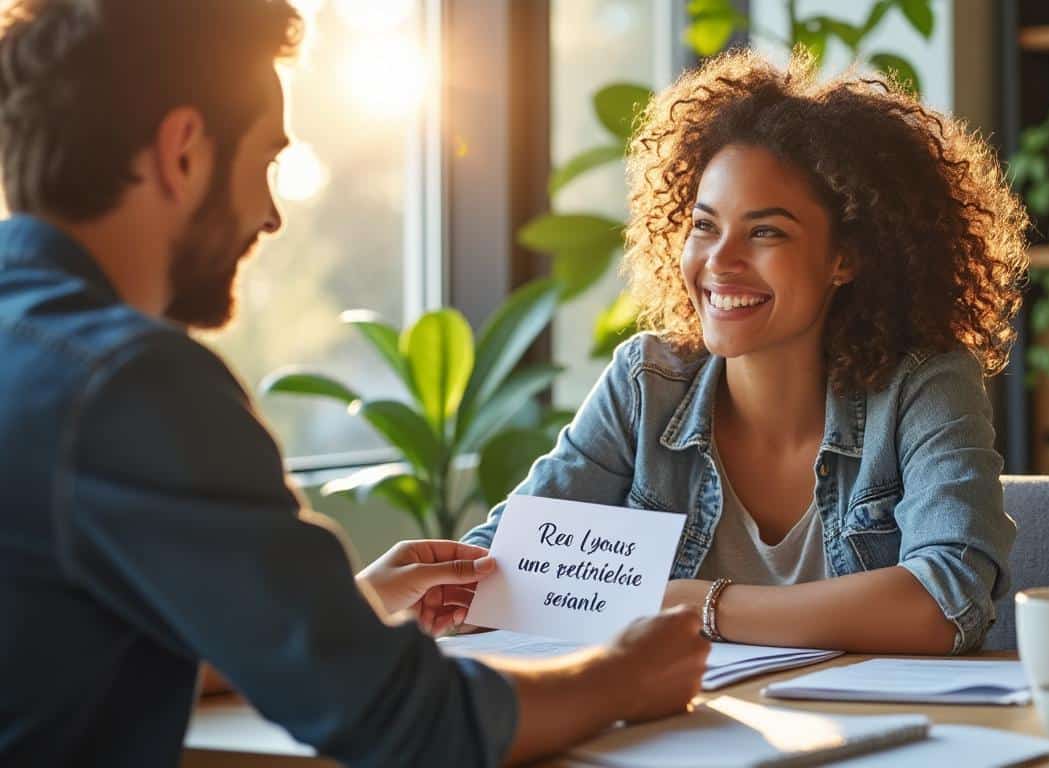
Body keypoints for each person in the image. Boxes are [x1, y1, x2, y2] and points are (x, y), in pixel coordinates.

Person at [0, 2, 707, 766]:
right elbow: (406, 722)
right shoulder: (129, 385)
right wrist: (621, 678)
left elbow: (69, 647)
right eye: (266, 161)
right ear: (183, 152)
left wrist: (347, 608)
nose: (270, 217)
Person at [461, 50, 1030, 656]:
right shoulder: (647, 383)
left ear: (847, 257)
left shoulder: (923, 384)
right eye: (705, 226)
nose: (720, 262)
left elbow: (945, 602)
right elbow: (504, 565)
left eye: (766, 232)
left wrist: (697, 604)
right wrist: (400, 591)